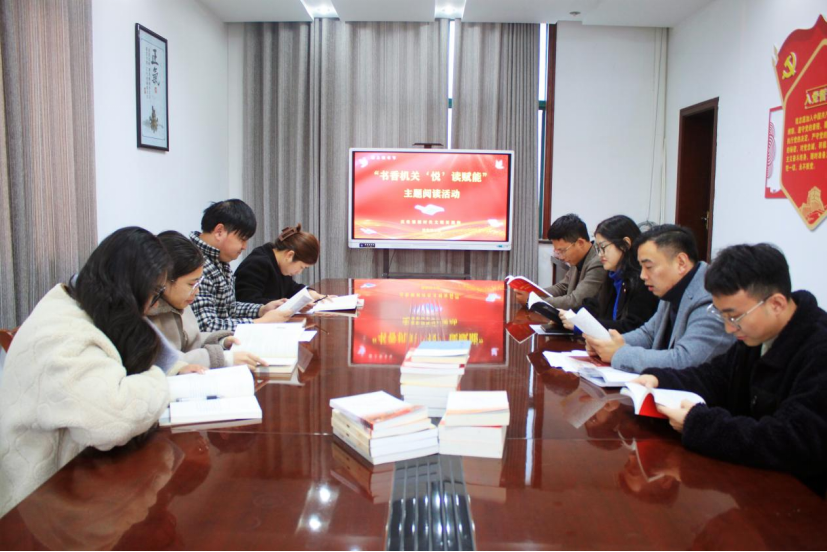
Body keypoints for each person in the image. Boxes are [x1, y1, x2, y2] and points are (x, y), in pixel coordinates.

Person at [0, 227, 173, 516]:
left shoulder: (83, 305)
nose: (152, 305)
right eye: (155, 293)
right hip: (34, 500)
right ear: (130, 285)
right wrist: (161, 380)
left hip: (72, 475)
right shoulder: (66, 332)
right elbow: (113, 419)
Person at [631, 244, 827, 497]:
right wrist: (660, 378)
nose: (729, 329)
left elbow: (792, 441)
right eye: (722, 316)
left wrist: (698, 424)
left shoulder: (818, 350)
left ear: (776, 304)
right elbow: (716, 377)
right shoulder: (757, 335)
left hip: (802, 500)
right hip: (754, 485)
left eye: (734, 317)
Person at [585, 224, 734, 373]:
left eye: (649, 267)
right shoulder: (672, 288)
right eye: (641, 267)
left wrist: (619, 354)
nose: (642, 276)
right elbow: (649, 333)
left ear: (681, 262)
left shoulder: (710, 297)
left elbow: (685, 360)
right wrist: (606, 344)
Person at [149, 231, 266, 372]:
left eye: (198, 283)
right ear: (164, 279)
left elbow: (193, 340)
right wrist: (223, 358)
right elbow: (170, 360)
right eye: (191, 284)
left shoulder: (180, 300)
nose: (197, 291)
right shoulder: (149, 311)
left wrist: (222, 342)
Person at [189, 200, 290, 332]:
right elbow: (207, 326)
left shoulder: (219, 259)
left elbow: (229, 308)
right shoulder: (195, 263)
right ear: (219, 232)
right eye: (242, 239)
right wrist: (260, 322)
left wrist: (261, 310)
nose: (244, 246)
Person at [560, 215, 658, 334]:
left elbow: (631, 326)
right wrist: (569, 316)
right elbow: (594, 305)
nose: (600, 254)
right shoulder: (613, 276)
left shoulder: (643, 280)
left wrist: (583, 325)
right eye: (598, 249)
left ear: (625, 244)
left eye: (603, 247)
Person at [527, 214, 606, 312]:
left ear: (580, 243)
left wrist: (535, 301)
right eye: (557, 252)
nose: (561, 257)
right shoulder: (577, 258)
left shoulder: (598, 262)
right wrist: (534, 292)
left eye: (563, 251)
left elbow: (575, 301)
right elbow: (562, 287)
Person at [235, 224, 328, 304]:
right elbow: (247, 302)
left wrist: (310, 293)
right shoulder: (257, 264)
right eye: (301, 267)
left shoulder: (279, 262)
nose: (299, 272)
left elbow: (291, 288)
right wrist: (288, 304)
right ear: (290, 255)